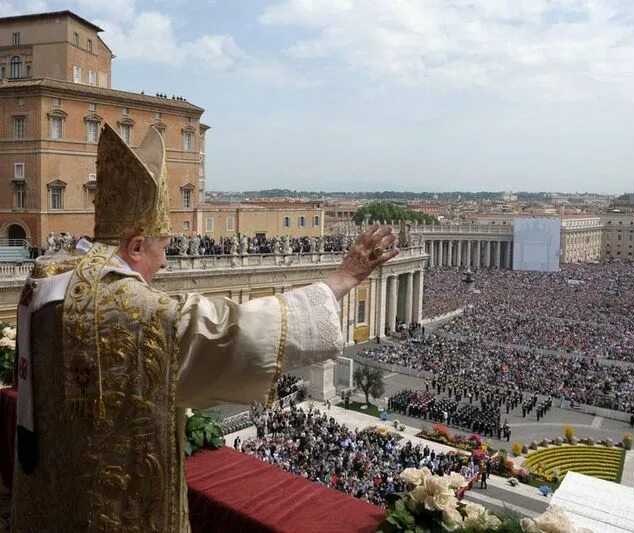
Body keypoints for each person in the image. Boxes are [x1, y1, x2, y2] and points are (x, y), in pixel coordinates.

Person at [11, 125, 400, 532]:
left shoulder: (50, 278)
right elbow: (235, 332)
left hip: (53, 489)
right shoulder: (139, 310)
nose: (164, 264)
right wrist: (343, 278)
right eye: (163, 249)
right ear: (137, 246)